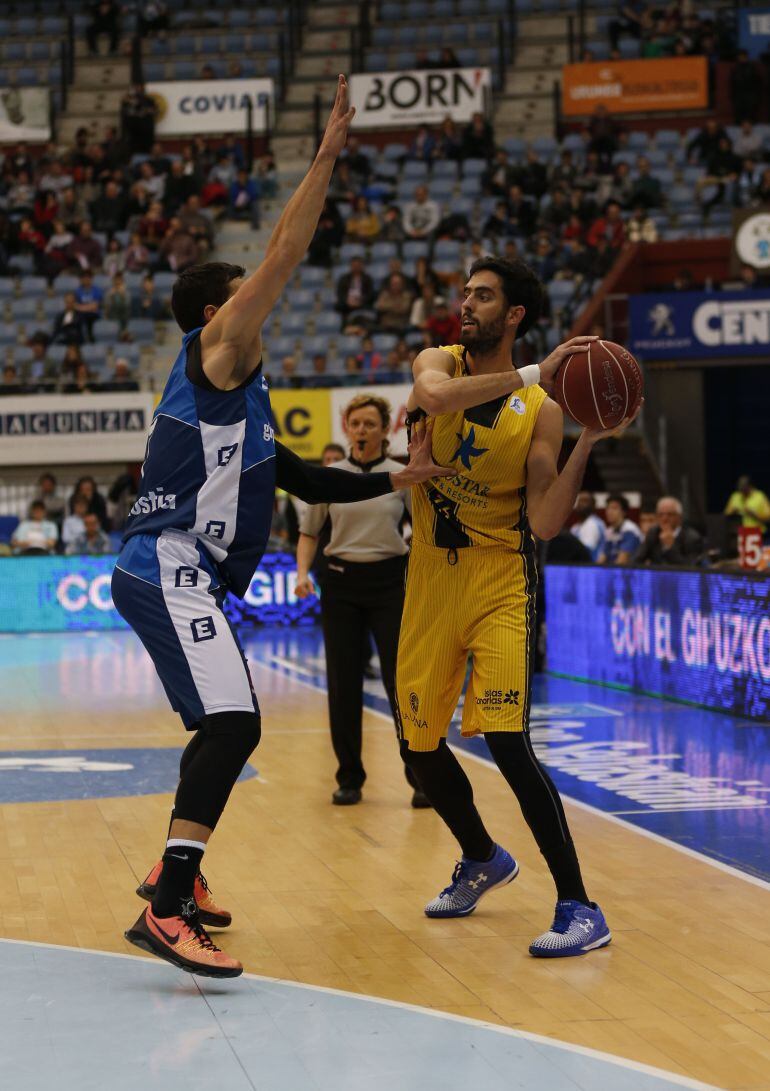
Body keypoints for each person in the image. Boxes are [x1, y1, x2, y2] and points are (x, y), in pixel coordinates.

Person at [110, 77, 449, 979]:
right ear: (222, 311)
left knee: (218, 725)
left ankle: (171, 870)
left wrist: (390, 473)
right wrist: (329, 152)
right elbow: (286, 251)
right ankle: (172, 906)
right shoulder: (217, 352)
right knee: (235, 724)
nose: (263, 305)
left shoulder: (246, 396)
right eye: (247, 295)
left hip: (184, 572)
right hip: (169, 560)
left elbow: (300, 476)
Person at [394, 256, 640, 957]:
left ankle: (579, 905)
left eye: (483, 296)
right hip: (430, 583)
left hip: (501, 581)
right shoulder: (438, 358)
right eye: (466, 293)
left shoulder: (544, 410)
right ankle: (482, 857)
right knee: (417, 746)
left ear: (515, 315)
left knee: (507, 739)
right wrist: (536, 370)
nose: (465, 304)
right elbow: (435, 399)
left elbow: (545, 520)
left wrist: (587, 438)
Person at [295, 395, 430, 809]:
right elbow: (310, 534)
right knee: (343, 684)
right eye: (356, 423)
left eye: (370, 423)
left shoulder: (400, 475)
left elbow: (423, 529)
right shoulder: (329, 476)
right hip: (340, 586)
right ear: (346, 427)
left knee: (401, 683)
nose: (362, 430)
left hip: (391, 583)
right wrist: (302, 574)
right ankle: (349, 777)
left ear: (384, 429)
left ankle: (421, 778)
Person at [634, 496, 704, 565]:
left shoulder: (692, 538)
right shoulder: (653, 532)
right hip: (656, 575)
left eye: (670, 514)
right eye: (661, 514)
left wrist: (670, 548)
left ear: (679, 517)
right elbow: (637, 560)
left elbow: (691, 568)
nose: (664, 518)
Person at [599, 494, 642, 564]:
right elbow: (601, 559)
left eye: (614, 508)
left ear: (624, 512)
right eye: (608, 508)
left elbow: (621, 562)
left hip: (630, 572)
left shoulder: (630, 530)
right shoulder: (609, 531)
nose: (609, 511)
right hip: (612, 571)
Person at [570, 491, 605, 561]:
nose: (580, 504)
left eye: (584, 501)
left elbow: (585, 552)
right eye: (579, 501)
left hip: (590, 567)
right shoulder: (575, 527)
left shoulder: (593, 524)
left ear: (593, 505)